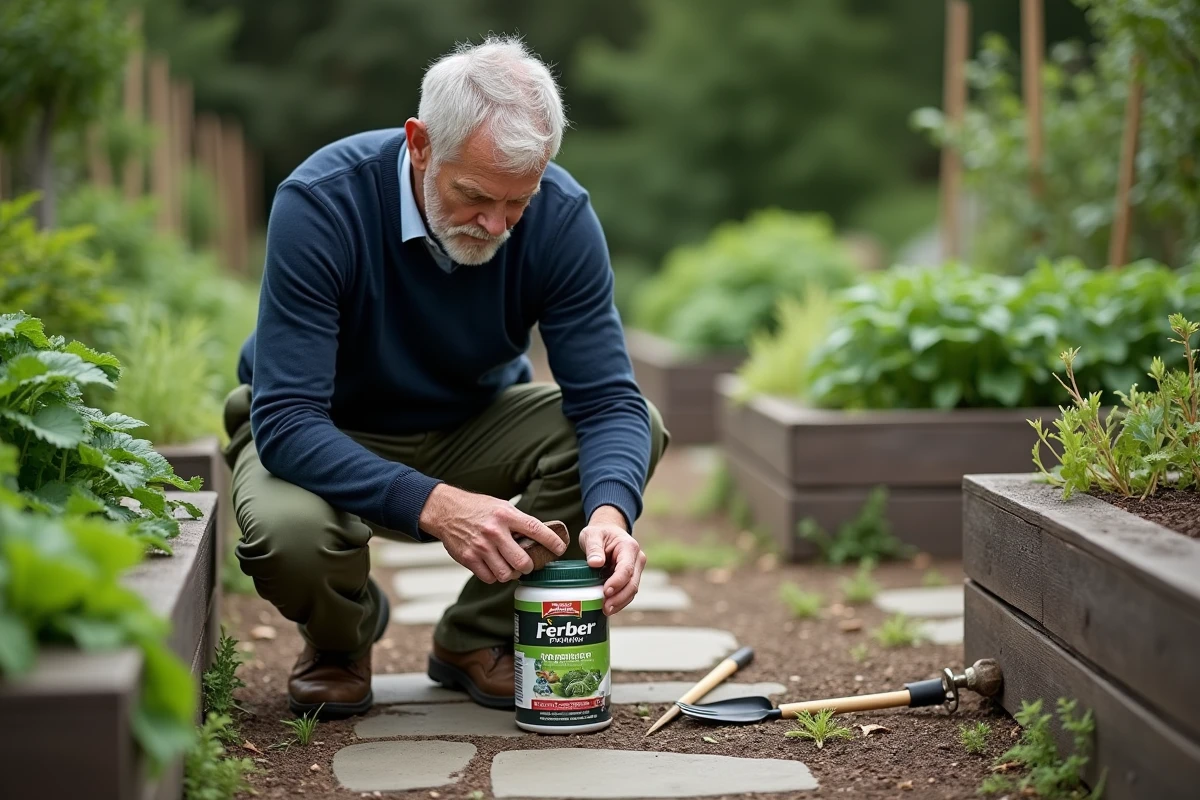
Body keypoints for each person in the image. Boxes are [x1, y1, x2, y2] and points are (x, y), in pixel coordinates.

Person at [222, 36, 669, 719]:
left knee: (632, 433)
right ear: (421, 144)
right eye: (475, 195)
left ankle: (477, 635)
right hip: (326, 430)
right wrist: (435, 504)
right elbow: (285, 422)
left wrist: (610, 512)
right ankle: (341, 639)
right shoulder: (322, 202)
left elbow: (609, 402)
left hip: (471, 423)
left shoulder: (561, 214)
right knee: (289, 535)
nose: (495, 224)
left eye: (517, 203)